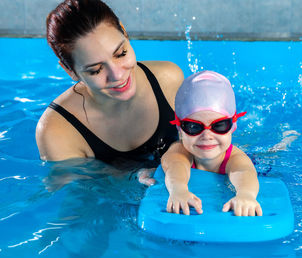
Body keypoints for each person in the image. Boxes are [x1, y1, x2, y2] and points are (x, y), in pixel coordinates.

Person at [36, 0, 189, 186]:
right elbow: (84, 198)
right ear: (70, 71)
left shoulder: (168, 80)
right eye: (96, 70)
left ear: (124, 32)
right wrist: (132, 179)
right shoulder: (58, 131)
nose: (117, 75)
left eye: (121, 53)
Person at [161, 71, 263, 217]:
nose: (207, 136)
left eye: (219, 126)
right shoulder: (180, 150)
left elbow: (244, 172)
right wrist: (178, 190)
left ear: (233, 126)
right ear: (180, 129)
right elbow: (175, 166)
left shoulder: (235, 158)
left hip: (256, 161)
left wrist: (246, 195)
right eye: (194, 127)